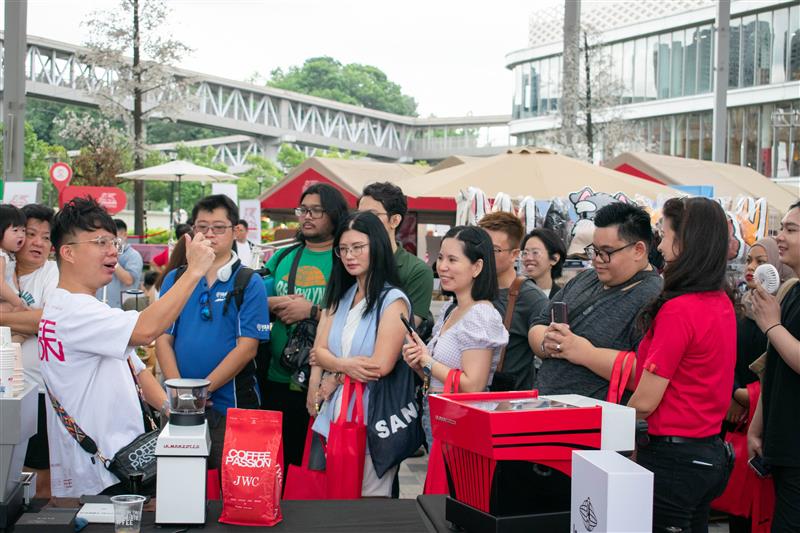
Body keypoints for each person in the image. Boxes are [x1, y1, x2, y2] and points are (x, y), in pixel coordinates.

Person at [40, 197, 215, 497]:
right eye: (100, 242)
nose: (112, 251)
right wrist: (194, 272)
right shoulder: (76, 311)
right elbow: (147, 330)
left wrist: (169, 410)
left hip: (119, 464)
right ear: (67, 252)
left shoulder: (69, 306)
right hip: (103, 473)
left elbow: (136, 370)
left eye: (114, 243)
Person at [626, 197, 736, 532]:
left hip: (673, 456)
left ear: (685, 241)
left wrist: (617, 433)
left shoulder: (681, 309)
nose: (660, 242)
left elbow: (645, 400)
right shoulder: (721, 301)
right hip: (707, 453)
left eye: (664, 233)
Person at [156, 195, 269, 471]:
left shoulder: (249, 281)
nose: (209, 234)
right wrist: (180, 393)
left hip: (231, 405)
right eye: (202, 227)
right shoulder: (176, 278)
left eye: (219, 227)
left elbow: (247, 348)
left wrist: (200, 392)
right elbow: (162, 338)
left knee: (230, 484)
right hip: (179, 408)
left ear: (235, 231)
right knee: (181, 482)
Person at [307, 211, 411, 497]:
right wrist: (344, 367)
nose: (350, 255)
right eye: (343, 249)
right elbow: (320, 351)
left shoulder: (393, 300)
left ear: (375, 247)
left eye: (358, 247)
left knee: (369, 502)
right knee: (336, 497)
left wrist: (336, 372)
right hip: (336, 413)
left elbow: (379, 366)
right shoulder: (344, 293)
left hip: (372, 415)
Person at [528, 202, 662, 400]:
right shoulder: (585, 278)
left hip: (598, 422)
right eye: (594, 250)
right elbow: (538, 324)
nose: (596, 260)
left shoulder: (654, 297)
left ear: (639, 250)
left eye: (606, 252)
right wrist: (547, 343)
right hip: (545, 405)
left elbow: (649, 373)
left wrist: (583, 352)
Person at [262, 183, 349, 469]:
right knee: (277, 462)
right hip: (277, 376)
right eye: (303, 210)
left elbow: (357, 315)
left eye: (316, 211)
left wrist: (311, 310)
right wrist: (274, 302)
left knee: (312, 466)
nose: (307, 216)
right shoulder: (284, 257)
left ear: (335, 215)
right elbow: (252, 300)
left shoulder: (345, 260)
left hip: (325, 380)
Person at [402, 225, 508, 446]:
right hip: (439, 416)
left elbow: (473, 386)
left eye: (452, 260)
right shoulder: (452, 309)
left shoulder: (480, 315)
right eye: (440, 258)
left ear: (477, 266)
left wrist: (426, 359)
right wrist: (419, 362)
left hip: (461, 423)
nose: (442, 267)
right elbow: (437, 380)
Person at [0, 204, 58, 498]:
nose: (37, 242)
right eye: (30, 233)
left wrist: (4, 323)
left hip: (38, 394)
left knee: (39, 478)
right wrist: (22, 325)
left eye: (46, 237)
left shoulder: (52, 273)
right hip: (4, 392)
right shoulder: (4, 268)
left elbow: (45, 319)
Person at [748, 200, 800, 531]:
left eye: (791, 230)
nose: (780, 237)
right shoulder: (792, 291)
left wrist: (772, 326)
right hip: (783, 447)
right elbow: (774, 367)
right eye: (781, 228)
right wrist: (757, 426)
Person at [478, 212, 548, 390]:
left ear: (514, 254)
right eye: (479, 247)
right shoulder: (471, 288)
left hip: (509, 404)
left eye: (493, 249)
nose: (483, 254)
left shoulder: (531, 298)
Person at [358, 182, 433, 329]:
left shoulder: (416, 271)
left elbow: (403, 331)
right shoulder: (348, 261)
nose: (361, 221)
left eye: (371, 215)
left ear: (395, 220)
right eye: (358, 214)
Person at [95, 219, 143, 309]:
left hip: (123, 309)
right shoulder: (102, 252)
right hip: (101, 305)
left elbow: (129, 280)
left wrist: (113, 261)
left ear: (124, 235)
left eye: (114, 237)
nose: (111, 241)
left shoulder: (133, 256)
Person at [520, 228, 566, 299]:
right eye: (525, 253)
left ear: (554, 258)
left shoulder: (563, 299)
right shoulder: (515, 295)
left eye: (535, 252)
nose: (528, 258)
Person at [0, 204, 27, 313]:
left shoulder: (10, 255)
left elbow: (13, 279)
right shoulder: (1, 256)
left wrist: (18, 296)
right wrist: (18, 302)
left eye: (23, 231)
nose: (21, 235)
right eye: (15, 230)